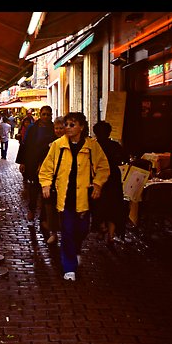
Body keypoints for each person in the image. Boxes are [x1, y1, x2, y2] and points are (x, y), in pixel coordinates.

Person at [39, 112, 110, 281]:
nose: (68, 128)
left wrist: (98, 184)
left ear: (81, 127)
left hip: (84, 195)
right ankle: (69, 267)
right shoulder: (58, 145)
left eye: (72, 125)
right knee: (67, 230)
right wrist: (46, 184)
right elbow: (47, 167)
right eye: (66, 125)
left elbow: (103, 167)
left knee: (82, 229)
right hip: (65, 196)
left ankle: (76, 249)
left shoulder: (92, 146)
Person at [91, 120, 128, 248]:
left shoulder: (93, 146)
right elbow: (124, 159)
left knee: (98, 206)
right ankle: (111, 237)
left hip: (99, 178)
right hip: (114, 178)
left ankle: (102, 227)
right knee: (114, 207)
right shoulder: (115, 146)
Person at [16, 105, 55, 224]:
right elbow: (25, 144)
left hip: (48, 164)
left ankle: (44, 216)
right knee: (33, 189)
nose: (46, 117)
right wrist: (22, 162)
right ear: (40, 115)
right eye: (44, 114)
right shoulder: (33, 128)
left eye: (48, 114)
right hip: (33, 162)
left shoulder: (54, 128)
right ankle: (31, 210)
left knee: (47, 190)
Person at [41, 115, 67, 245]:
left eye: (61, 128)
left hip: (65, 181)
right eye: (56, 128)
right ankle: (54, 233)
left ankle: (66, 234)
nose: (58, 130)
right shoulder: (50, 141)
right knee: (51, 209)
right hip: (52, 180)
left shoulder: (69, 142)